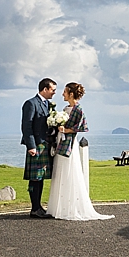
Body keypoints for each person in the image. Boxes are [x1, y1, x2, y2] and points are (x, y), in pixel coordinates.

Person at [46, 82, 113, 220]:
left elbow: (82, 128)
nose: (62, 94)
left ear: (71, 93)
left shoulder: (78, 109)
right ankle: (58, 207)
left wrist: (66, 130)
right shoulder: (66, 108)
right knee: (60, 173)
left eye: (65, 91)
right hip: (61, 141)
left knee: (70, 173)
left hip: (70, 144)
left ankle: (71, 208)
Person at [21, 78, 57, 219]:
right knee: (35, 178)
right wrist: (31, 146)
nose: (54, 93)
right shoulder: (31, 103)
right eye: (53, 90)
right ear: (45, 89)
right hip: (36, 145)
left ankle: (38, 207)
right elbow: (26, 126)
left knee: (40, 178)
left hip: (46, 144)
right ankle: (34, 208)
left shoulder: (48, 104)